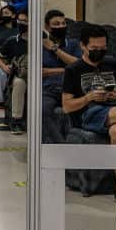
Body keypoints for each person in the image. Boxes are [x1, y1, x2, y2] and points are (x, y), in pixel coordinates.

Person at [62, 25, 116, 140]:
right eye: (94, 48)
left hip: (114, 107)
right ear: (83, 46)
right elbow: (67, 106)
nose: (99, 52)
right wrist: (88, 97)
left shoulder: (114, 64)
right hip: (89, 113)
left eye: (103, 48)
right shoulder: (73, 69)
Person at [41, 10, 81, 143]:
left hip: (72, 89)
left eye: (63, 23)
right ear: (47, 27)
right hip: (49, 89)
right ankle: (61, 146)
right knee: (42, 110)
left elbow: (78, 65)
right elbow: (39, 71)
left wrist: (54, 49)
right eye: (56, 24)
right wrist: (65, 69)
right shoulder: (39, 45)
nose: (60, 26)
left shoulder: (74, 44)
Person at [0, 29, 29, 134]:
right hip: (21, 74)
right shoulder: (13, 41)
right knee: (18, 83)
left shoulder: (44, 39)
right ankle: (16, 120)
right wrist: (5, 67)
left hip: (43, 75)